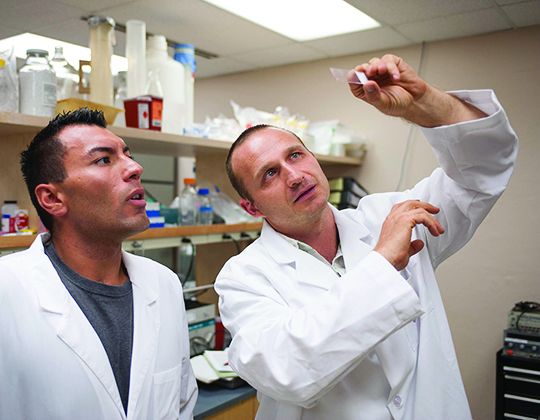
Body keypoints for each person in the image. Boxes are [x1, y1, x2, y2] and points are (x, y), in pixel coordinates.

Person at [214, 54, 518, 419]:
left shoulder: (391, 215)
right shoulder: (242, 278)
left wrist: (424, 101)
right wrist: (383, 261)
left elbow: (484, 167)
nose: (294, 176)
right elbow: (287, 373)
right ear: (253, 208)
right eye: (269, 174)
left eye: (296, 155)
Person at [0, 109, 197, 420]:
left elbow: (182, 404)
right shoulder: (6, 291)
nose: (135, 168)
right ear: (52, 198)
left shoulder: (164, 283)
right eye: (104, 160)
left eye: (127, 155)